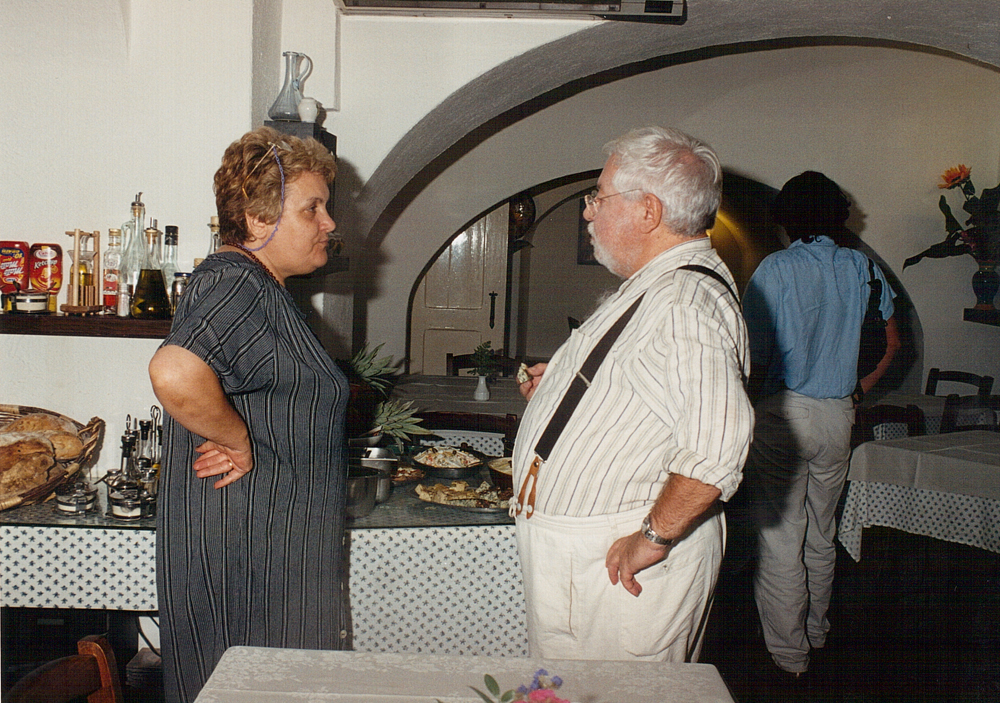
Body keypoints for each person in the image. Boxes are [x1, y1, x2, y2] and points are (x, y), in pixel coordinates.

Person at [512, 126, 753, 662]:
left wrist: (653, 538)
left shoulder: (682, 300)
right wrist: (565, 388)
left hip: (621, 567)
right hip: (590, 561)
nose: (588, 211)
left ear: (648, 211)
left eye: (599, 197)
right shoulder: (660, 285)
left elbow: (717, 446)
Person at [148, 126, 348, 702]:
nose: (329, 223)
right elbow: (175, 371)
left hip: (271, 552)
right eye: (313, 208)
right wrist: (236, 439)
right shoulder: (236, 282)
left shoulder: (259, 287)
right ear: (259, 221)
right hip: (251, 559)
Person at [742, 171, 899, 677]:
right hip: (838, 415)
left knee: (781, 538)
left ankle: (789, 656)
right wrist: (857, 390)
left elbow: (753, 354)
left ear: (787, 220)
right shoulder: (864, 268)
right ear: (838, 216)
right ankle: (816, 631)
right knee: (821, 532)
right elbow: (892, 344)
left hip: (783, 414)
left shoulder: (775, 268)